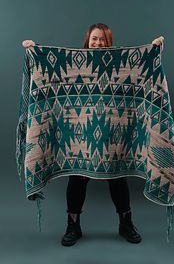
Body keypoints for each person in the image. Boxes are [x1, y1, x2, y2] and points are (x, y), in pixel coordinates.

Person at [22, 24, 164, 246]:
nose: (98, 43)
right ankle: (73, 226)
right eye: (94, 39)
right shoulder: (73, 63)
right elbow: (49, 69)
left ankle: (126, 223)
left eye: (102, 40)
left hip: (113, 134)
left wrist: (154, 48)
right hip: (78, 135)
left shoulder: (120, 60)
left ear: (109, 41)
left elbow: (139, 65)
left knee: (118, 178)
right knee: (77, 179)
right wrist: (34, 50)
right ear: (87, 40)